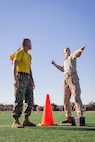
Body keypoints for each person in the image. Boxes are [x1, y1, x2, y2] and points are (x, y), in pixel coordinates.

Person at [51, 46, 86, 123]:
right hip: (65, 79)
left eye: (68, 50)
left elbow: (76, 54)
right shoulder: (65, 61)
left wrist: (80, 50)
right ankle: (68, 117)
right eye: (66, 50)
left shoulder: (71, 57)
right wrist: (55, 64)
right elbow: (62, 69)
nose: (67, 51)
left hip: (73, 77)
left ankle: (80, 115)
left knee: (76, 96)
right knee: (65, 98)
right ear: (64, 53)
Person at [11, 38, 36, 128]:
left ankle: (26, 120)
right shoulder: (19, 53)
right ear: (25, 44)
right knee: (19, 98)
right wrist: (15, 79)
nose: (31, 44)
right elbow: (14, 65)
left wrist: (32, 80)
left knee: (30, 99)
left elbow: (29, 68)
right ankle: (16, 121)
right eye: (30, 43)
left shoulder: (29, 56)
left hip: (28, 77)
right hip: (20, 77)